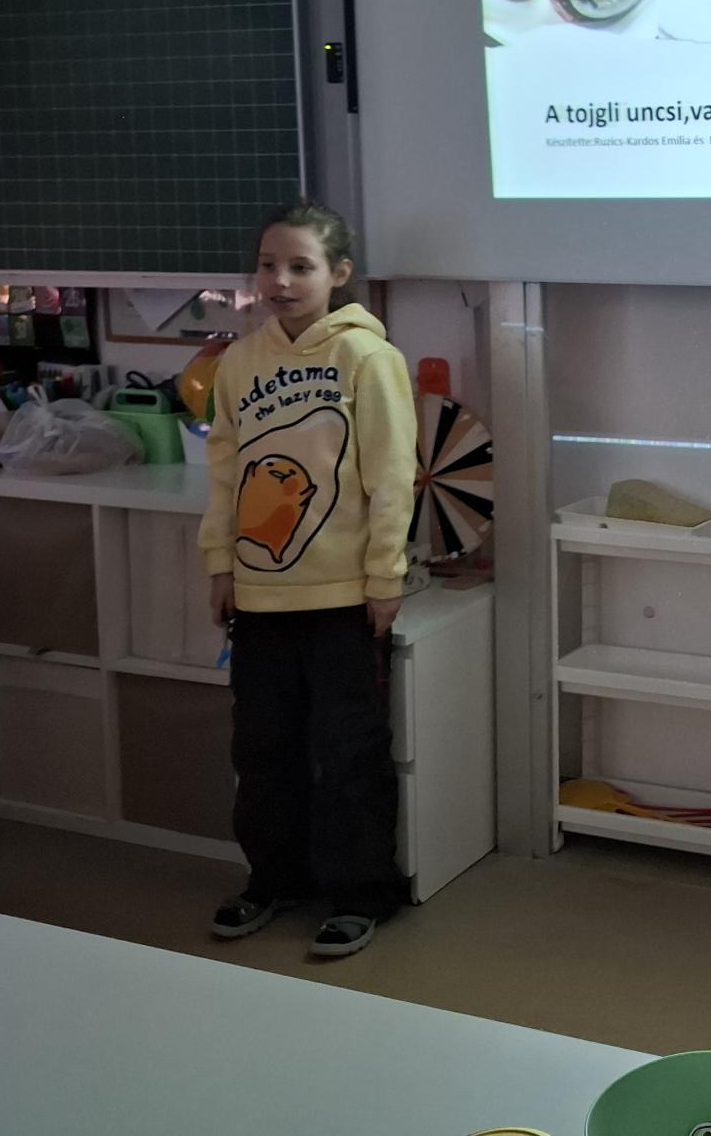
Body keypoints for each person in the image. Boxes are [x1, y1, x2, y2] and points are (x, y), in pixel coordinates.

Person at [199, 200, 418, 958]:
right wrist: (221, 563)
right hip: (260, 598)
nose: (282, 282)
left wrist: (385, 576)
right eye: (269, 266)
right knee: (262, 751)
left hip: (342, 600)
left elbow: (391, 477)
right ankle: (274, 879)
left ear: (339, 273)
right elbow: (225, 474)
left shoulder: (367, 358)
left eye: (301, 267)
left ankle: (361, 894)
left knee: (349, 752)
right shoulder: (239, 362)